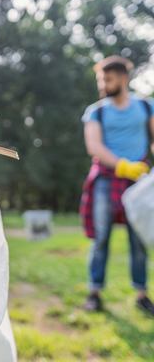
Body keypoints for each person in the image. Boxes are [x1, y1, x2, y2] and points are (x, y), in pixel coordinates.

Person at [80, 56, 154, 313]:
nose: (103, 84)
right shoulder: (96, 111)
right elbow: (95, 146)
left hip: (139, 181)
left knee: (139, 240)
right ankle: (94, 293)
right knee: (101, 238)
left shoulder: (146, 107)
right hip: (106, 179)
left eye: (108, 79)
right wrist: (122, 165)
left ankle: (142, 294)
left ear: (124, 79)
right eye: (101, 79)